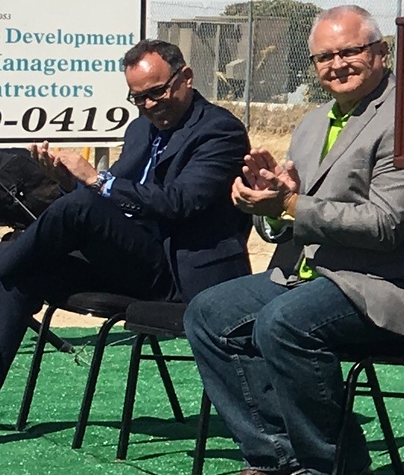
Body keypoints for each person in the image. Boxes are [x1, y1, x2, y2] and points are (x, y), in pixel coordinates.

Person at [186, 6, 404, 475]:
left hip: (393, 283)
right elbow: (290, 220)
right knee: (209, 313)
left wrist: (290, 205)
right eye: (324, 57)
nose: (337, 65)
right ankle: (274, 456)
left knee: (285, 323)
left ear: (381, 52)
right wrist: (271, 203)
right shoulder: (312, 124)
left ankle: (337, 468)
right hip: (315, 273)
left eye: (350, 51)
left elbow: (386, 225)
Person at [0, 38, 249, 386]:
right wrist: (70, 182)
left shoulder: (220, 131)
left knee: (81, 205)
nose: (148, 105)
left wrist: (95, 181)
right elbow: (117, 199)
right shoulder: (140, 129)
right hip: (125, 261)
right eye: (138, 98)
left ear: (186, 77)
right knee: (21, 274)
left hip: (175, 272)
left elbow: (178, 203)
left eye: (157, 92)